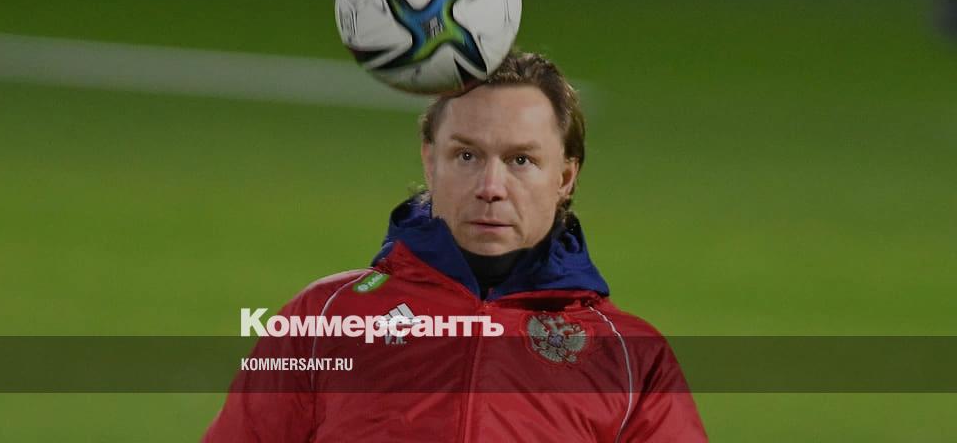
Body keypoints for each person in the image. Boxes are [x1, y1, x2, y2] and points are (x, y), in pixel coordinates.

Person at [204, 52, 708, 441]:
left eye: (521, 160)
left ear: (565, 177)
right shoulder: (322, 320)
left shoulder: (631, 358)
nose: (491, 187)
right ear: (431, 162)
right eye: (467, 155)